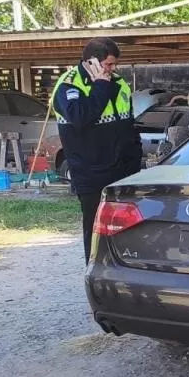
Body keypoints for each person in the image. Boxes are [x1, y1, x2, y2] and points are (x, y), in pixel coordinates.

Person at [52, 37, 142, 263]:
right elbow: (80, 117)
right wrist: (101, 86)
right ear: (91, 61)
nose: (113, 69)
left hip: (123, 172)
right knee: (95, 233)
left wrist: (135, 161)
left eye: (114, 64)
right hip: (91, 174)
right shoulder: (69, 85)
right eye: (109, 64)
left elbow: (127, 124)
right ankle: (96, 275)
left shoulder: (119, 82)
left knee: (126, 229)